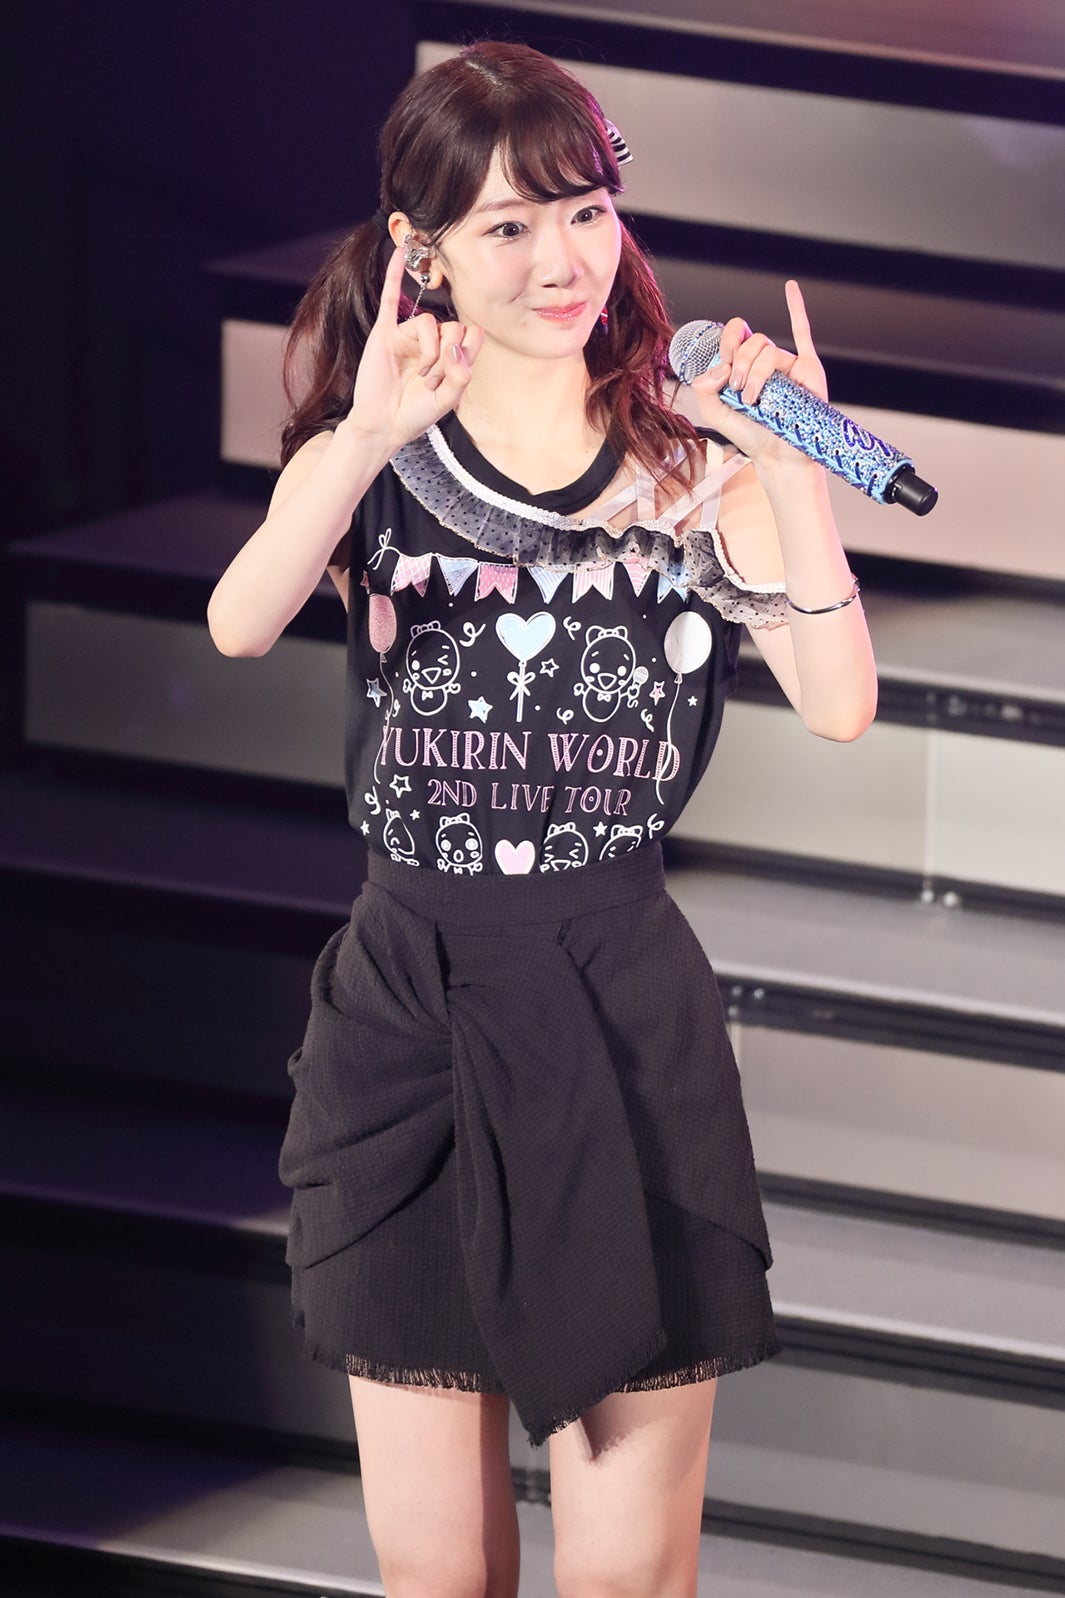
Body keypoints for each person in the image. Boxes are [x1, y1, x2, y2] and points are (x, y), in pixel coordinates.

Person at [208, 39, 877, 1598]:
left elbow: (838, 703)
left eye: (583, 213)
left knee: (625, 1578)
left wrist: (793, 475)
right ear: (423, 250)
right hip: (412, 1016)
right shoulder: (378, 455)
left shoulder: (685, 464)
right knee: (438, 1577)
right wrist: (361, 435)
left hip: (618, 1010)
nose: (561, 260)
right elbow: (241, 620)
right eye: (508, 226)